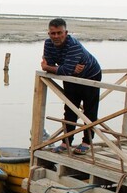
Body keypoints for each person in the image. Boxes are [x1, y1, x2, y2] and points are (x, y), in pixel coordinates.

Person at [41, 18, 102, 155]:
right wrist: (64, 69)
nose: (56, 36)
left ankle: (87, 142)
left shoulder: (73, 45)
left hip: (90, 76)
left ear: (66, 32)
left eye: (59, 33)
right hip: (72, 78)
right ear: (49, 33)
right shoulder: (48, 44)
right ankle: (66, 142)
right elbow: (57, 67)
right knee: (69, 109)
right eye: (53, 33)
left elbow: (59, 69)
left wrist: (52, 67)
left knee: (89, 110)